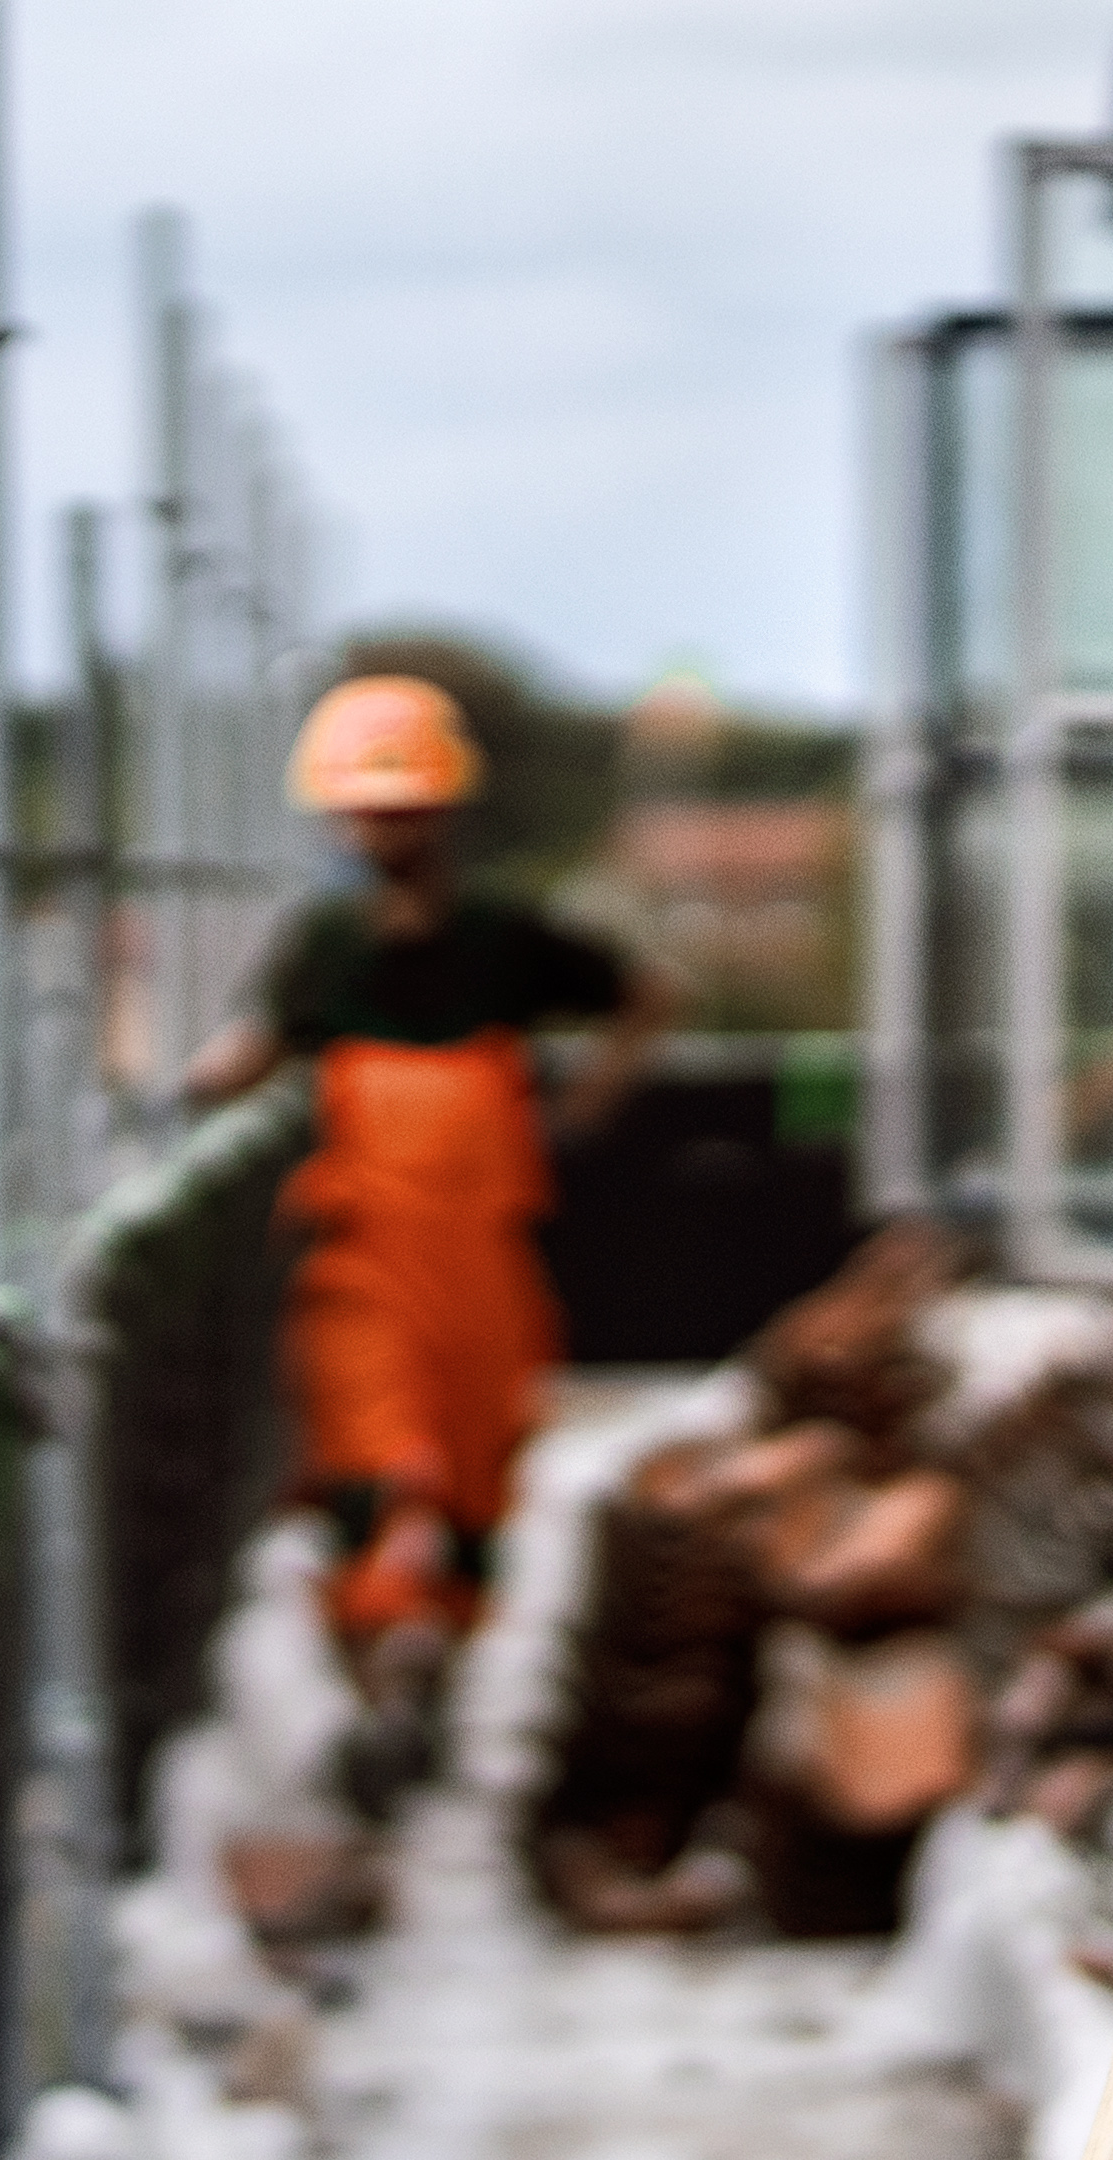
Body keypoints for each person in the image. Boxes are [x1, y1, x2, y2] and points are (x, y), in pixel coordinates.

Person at [186, 671, 674, 1810]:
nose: (381, 830)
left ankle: (428, 1686)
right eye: (363, 811)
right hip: (362, 1247)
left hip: (480, 1256)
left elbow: (644, 996)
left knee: (472, 1470)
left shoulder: (505, 938)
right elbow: (259, 1047)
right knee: (373, 1457)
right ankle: (375, 1679)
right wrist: (187, 1090)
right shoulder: (323, 943)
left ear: (443, 814)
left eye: (399, 809)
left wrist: (593, 1099)